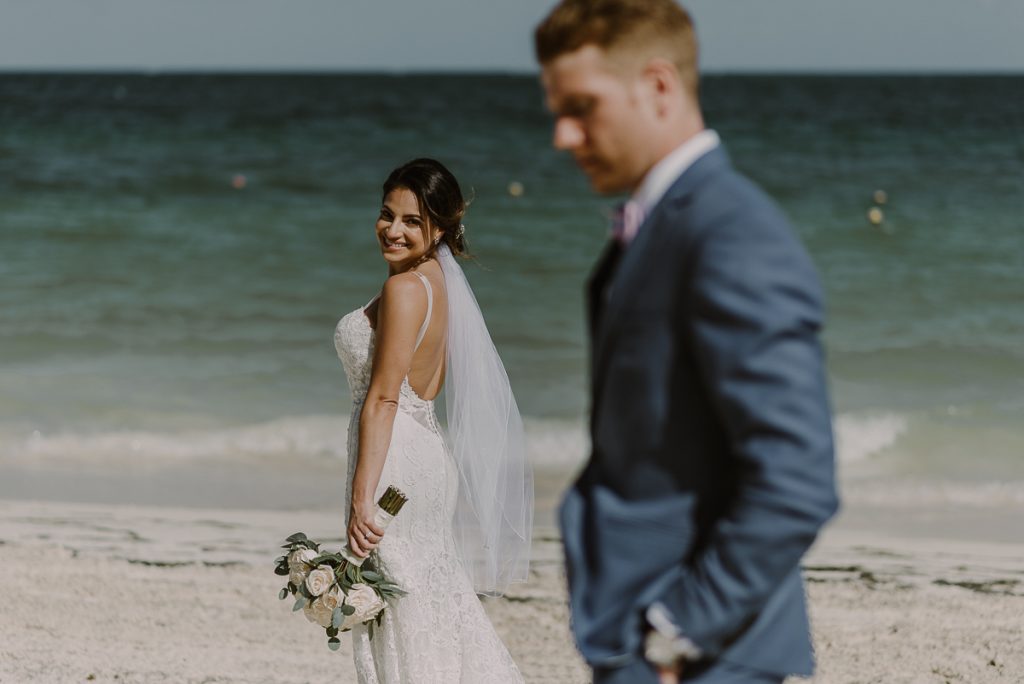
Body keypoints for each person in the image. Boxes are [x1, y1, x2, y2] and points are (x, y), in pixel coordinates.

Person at [534, 2, 840, 683]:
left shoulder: (732, 234)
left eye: (583, 106)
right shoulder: (665, 223)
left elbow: (797, 479)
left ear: (660, 88)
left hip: (701, 656)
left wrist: (677, 629)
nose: (562, 134)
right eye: (557, 108)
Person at [333, 158, 532, 683]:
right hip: (420, 462)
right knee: (425, 596)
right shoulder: (436, 279)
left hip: (393, 466)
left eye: (411, 221)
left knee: (397, 601)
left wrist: (360, 499)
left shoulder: (404, 290)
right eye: (386, 214)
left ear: (439, 228)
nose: (392, 230)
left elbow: (382, 399)